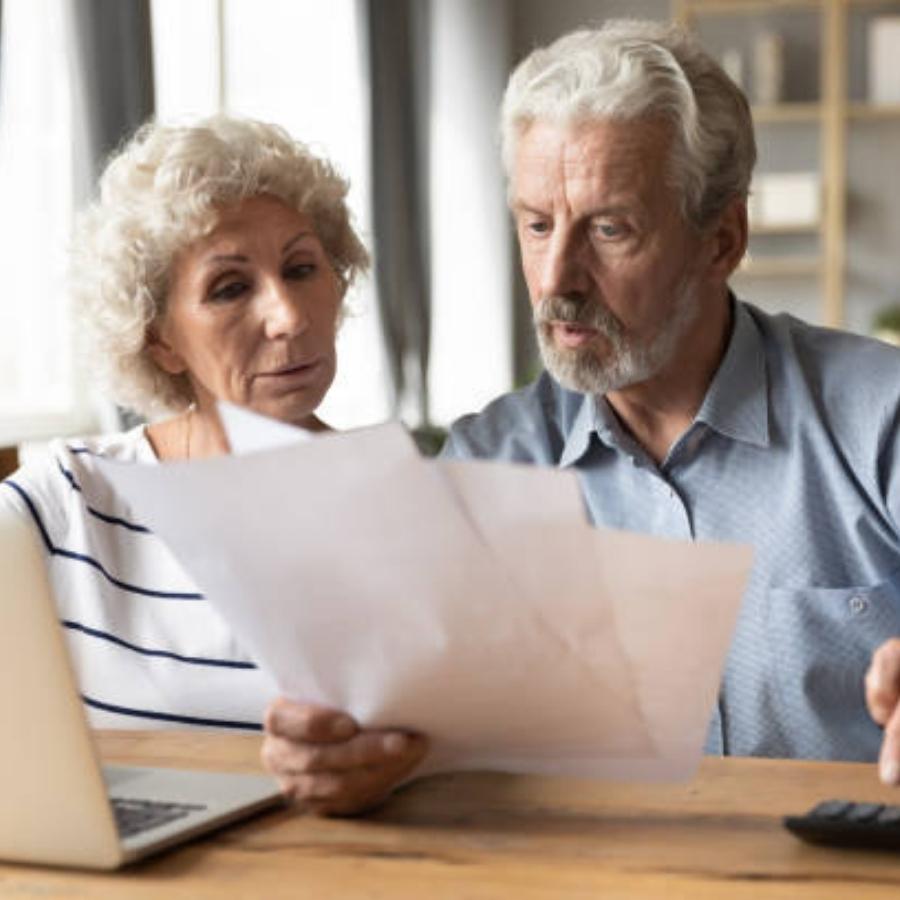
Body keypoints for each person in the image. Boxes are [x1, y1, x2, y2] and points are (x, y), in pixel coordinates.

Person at [269, 17, 900, 801]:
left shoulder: (881, 418)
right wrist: (349, 752)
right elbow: (401, 709)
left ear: (721, 240)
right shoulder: (484, 467)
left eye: (610, 228)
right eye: (537, 225)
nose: (558, 277)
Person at [0, 115, 426, 815]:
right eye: (230, 288)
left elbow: (472, 748)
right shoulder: (67, 503)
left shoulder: (409, 507)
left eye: (301, 269)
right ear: (161, 338)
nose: (288, 315)